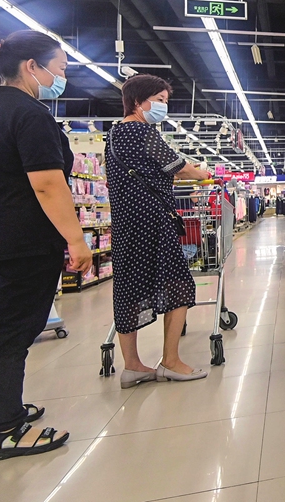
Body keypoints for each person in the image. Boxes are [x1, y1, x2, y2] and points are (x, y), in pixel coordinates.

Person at [0, 30, 92, 462]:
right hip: (25, 240)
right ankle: (7, 432)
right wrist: (76, 239)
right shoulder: (30, 114)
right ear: (31, 67)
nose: (62, 76)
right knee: (13, 332)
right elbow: (48, 184)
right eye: (59, 67)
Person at [106, 74, 212, 389]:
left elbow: (149, 173)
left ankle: (133, 366)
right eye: (161, 100)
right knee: (179, 284)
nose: (164, 106)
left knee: (128, 289)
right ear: (139, 101)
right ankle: (171, 361)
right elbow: (180, 166)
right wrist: (201, 174)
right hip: (153, 221)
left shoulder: (113, 136)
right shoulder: (141, 130)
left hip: (126, 225)